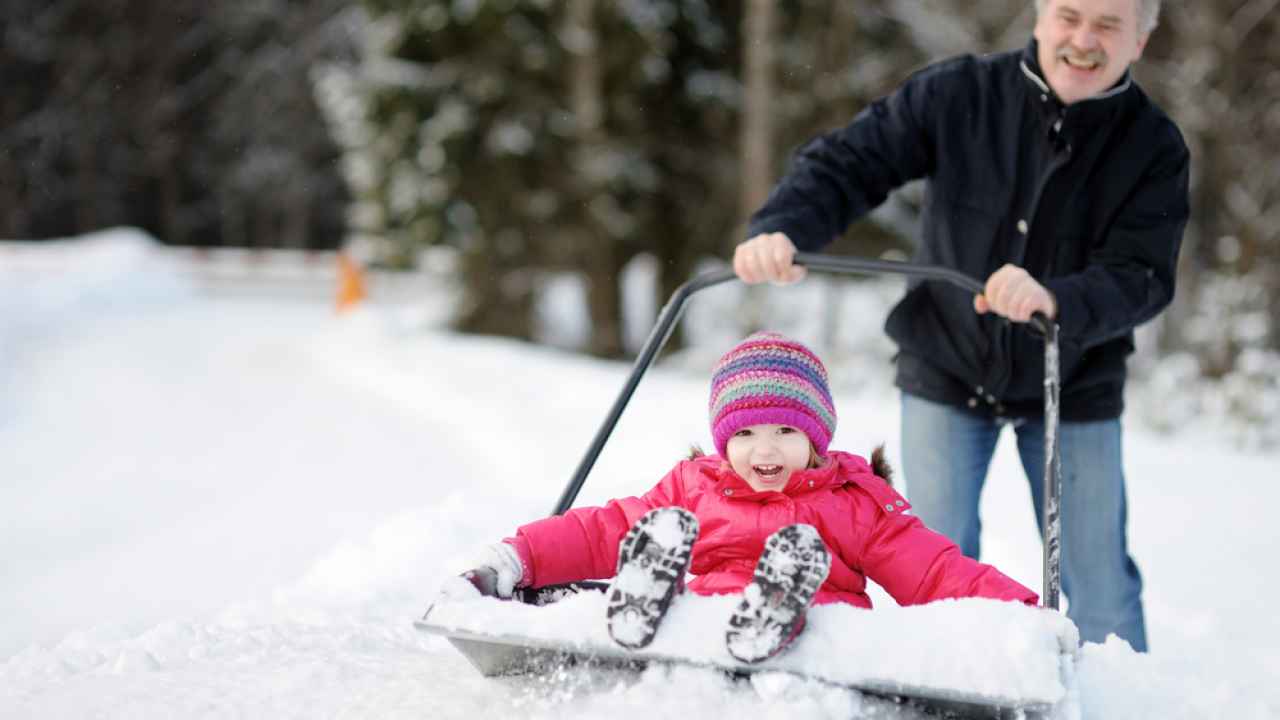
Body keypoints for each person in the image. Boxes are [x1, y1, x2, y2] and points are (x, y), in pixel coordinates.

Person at [731, 0, 1188, 652]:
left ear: (1140, 40)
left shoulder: (1153, 146)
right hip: (946, 363)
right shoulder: (961, 93)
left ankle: (1115, 703)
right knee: (934, 560)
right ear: (1039, 17)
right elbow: (854, 160)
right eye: (1069, 16)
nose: (1083, 39)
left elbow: (1143, 274)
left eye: (1109, 25)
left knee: (1098, 576)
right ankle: (951, 690)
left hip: (1074, 381)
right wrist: (782, 225)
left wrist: (1056, 298)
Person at [441, 332, 1037, 662]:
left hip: (817, 641)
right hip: (704, 632)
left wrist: (1024, 617)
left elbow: (935, 572)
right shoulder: (694, 488)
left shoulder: (858, 500)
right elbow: (602, 530)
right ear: (724, 442)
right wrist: (519, 557)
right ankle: (646, 599)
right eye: (745, 434)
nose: (765, 450)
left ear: (816, 437)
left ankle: (780, 598)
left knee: (803, 587)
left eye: (786, 431)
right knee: (649, 545)